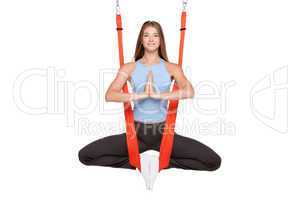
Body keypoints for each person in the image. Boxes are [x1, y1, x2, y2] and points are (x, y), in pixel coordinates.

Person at [78, 20, 221, 190]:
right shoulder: (129, 68)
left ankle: (163, 162)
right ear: (141, 40)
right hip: (136, 133)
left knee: (213, 162)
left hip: (163, 133)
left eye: (155, 35)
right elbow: (110, 95)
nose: (151, 39)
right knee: (85, 156)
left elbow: (189, 91)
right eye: (146, 35)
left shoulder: (172, 68)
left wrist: (158, 95)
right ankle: (138, 163)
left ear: (161, 40)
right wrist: (139, 95)